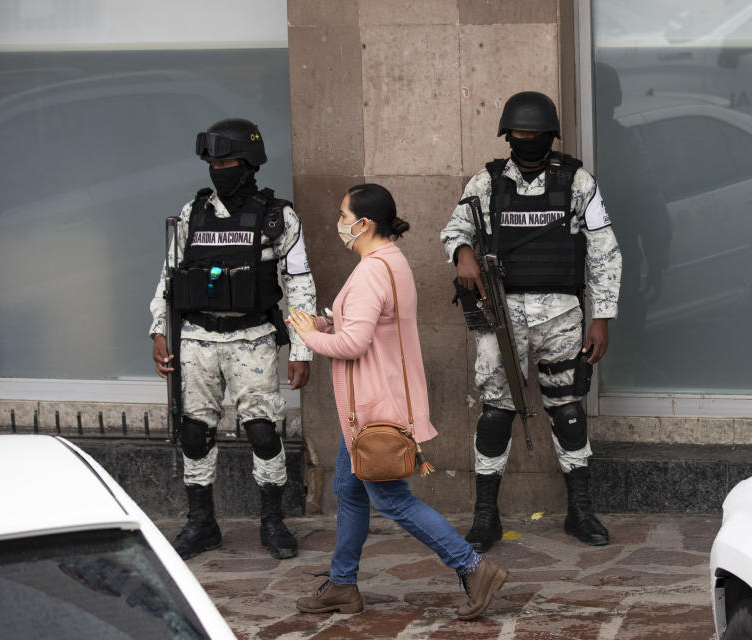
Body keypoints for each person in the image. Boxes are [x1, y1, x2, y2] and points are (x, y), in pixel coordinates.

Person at [288, 184, 508, 619]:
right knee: (350, 491)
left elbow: (353, 342)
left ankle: (474, 568)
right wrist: (322, 321)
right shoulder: (388, 260)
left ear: (364, 223)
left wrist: (309, 336)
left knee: (391, 500)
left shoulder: (373, 269)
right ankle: (342, 583)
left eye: (343, 214)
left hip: (374, 409)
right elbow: (360, 323)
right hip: (370, 407)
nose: (339, 222)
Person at [440, 91, 622, 551]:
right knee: (496, 412)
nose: (526, 142)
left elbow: (603, 251)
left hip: (561, 315)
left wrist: (602, 318)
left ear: (549, 136)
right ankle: (486, 516)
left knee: (568, 410)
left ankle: (579, 511)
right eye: (518, 135)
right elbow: (456, 227)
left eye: (534, 135)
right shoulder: (486, 182)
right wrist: (463, 254)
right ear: (507, 136)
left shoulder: (577, 181)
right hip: (503, 316)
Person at [149, 118, 316, 561]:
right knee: (193, 432)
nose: (218, 169)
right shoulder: (192, 212)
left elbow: (299, 284)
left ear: (249, 164)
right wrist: (160, 332)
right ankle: (202, 523)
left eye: (227, 161)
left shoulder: (278, 215)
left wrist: (302, 349)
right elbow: (169, 278)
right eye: (213, 162)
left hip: (254, 339)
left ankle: (272, 521)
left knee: (263, 433)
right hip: (197, 338)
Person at [597, 65, 670, 381]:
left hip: (614, 251)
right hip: (614, 251)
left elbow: (650, 206)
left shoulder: (591, 140)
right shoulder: (624, 143)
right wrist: (657, 264)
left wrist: (656, 262)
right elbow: (651, 206)